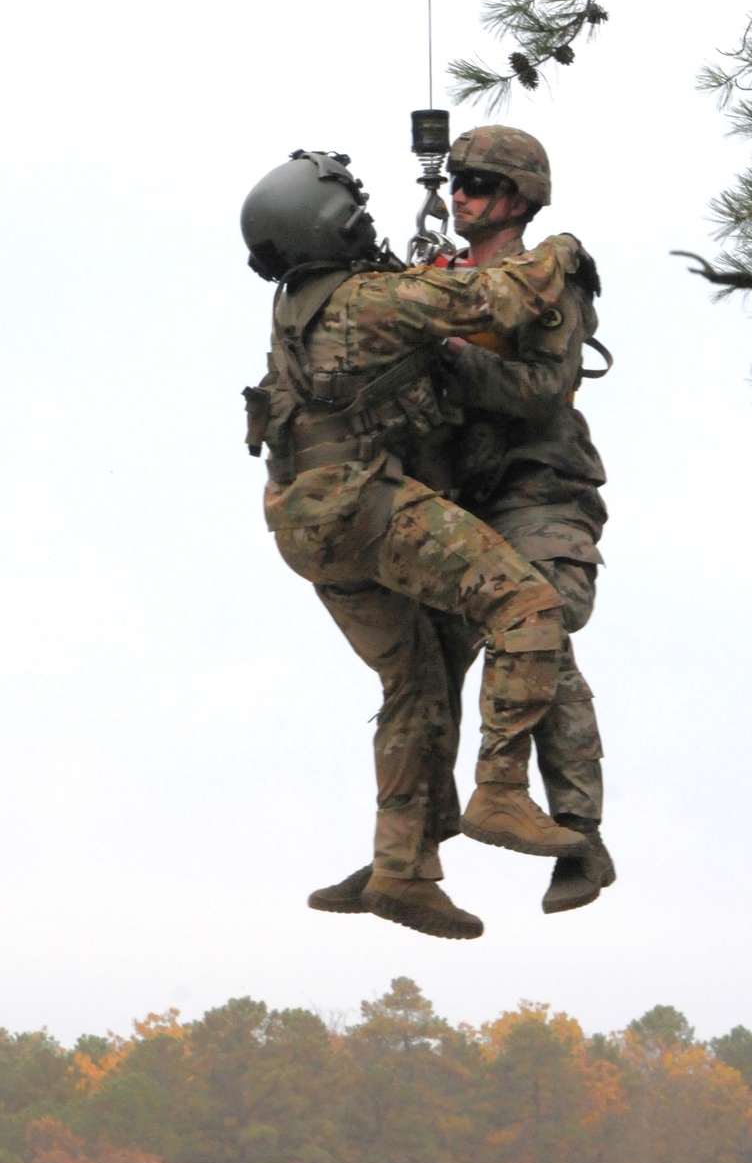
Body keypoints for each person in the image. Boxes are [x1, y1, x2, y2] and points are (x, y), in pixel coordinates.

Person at [241, 148, 593, 941]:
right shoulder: (372, 302)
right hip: (364, 508)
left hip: (302, 528)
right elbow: (502, 294)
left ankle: (400, 871)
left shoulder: (298, 303)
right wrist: (562, 251)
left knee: (417, 683)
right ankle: (499, 789)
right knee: (526, 604)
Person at [436, 126, 615, 915]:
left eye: (476, 181)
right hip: (461, 497)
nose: (459, 193)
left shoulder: (546, 282)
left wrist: (452, 353)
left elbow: (542, 390)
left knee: (542, 629)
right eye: (455, 179)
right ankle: (406, 849)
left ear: (516, 198)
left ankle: (579, 832)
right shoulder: (434, 279)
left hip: (541, 490)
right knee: (424, 663)